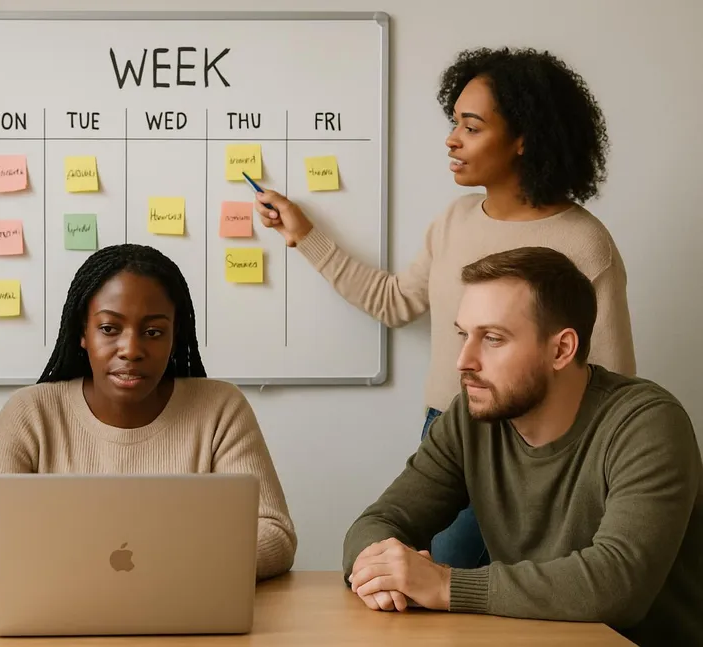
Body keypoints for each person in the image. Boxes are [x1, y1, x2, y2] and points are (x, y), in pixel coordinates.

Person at [254, 46, 636, 570]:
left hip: (540, 446)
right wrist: (304, 234)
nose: (452, 139)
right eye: (454, 122)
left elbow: (612, 382)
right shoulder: (455, 220)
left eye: (472, 127)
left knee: (506, 581)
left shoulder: (584, 243)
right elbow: (394, 302)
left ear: (524, 138)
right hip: (449, 431)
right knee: (439, 576)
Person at [342, 247, 702, 647]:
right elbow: (379, 521)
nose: (464, 360)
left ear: (561, 350)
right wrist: (382, 571)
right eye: (464, 334)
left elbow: (619, 585)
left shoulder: (647, 423)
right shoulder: (470, 419)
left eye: (493, 339)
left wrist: (445, 584)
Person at [0, 243, 297, 580]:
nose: (131, 349)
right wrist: (60, 564)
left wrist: (168, 565)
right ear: (82, 332)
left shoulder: (221, 409)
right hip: (60, 610)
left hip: (183, 611)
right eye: (109, 329)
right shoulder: (30, 412)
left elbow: (273, 532)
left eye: (153, 332)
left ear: (175, 336)